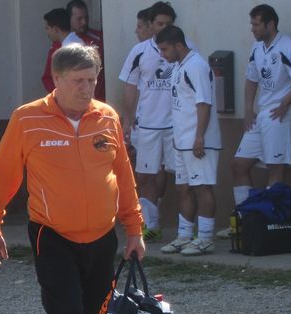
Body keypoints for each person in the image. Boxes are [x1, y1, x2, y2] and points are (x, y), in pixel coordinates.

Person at [0, 44, 144, 314]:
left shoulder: (106, 118)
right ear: (56, 80)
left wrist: (134, 228)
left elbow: (123, 175)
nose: (87, 88)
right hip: (51, 234)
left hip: (101, 237)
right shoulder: (27, 119)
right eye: (78, 81)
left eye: (92, 80)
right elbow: (3, 176)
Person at [229, 3, 291, 236]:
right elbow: (251, 79)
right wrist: (248, 110)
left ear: (270, 24)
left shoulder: (288, 46)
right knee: (238, 165)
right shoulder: (257, 47)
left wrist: (286, 101)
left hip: (282, 113)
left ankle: (271, 222)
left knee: (275, 167)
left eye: (256, 24)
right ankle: (245, 220)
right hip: (263, 113)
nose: (252, 29)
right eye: (252, 24)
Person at [118, 1, 186, 242]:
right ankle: (152, 224)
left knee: (182, 177)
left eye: (168, 23)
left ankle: (186, 229)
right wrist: (127, 119)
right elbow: (130, 87)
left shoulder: (185, 49)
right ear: (150, 25)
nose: (163, 27)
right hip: (147, 125)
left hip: (177, 126)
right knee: (146, 175)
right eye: (159, 23)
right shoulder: (139, 51)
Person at [157, 25, 222, 257]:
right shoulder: (178, 66)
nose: (162, 55)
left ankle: (205, 238)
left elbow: (203, 103)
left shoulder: (196, 65)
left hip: (198, 141)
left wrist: (199, 136)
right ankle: (184, 236)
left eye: (165, 49)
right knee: (183, 188)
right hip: (182, 140)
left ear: (179, 45)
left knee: (202, 186)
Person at [67, 0, 106, 100]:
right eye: (79, 19)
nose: (84, 22)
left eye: (86, 18)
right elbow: (49, 78)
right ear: (69, 19)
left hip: (101, 98)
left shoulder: (100, 37)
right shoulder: (62, 43)